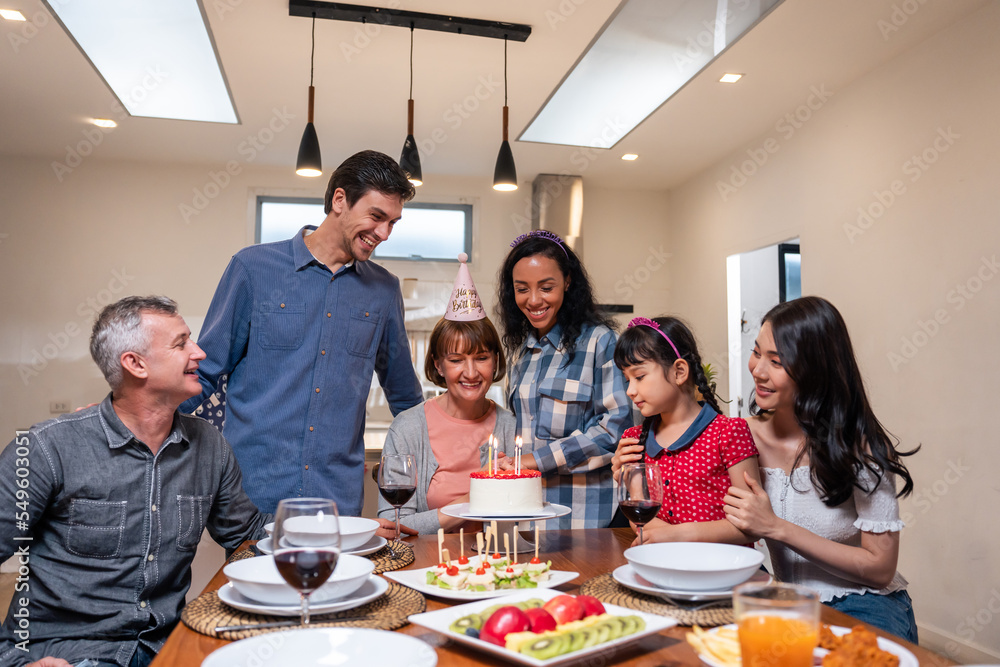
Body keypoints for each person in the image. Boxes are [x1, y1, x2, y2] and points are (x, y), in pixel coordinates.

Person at [0, 296, 269, 667]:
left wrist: (342, 535)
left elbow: (249, 536)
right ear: (135, 364)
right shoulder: (46, 448)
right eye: (181, 343)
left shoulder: (209, 445)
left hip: (167, 648)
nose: (200, 353)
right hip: (68, 653)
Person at [181, 150, 424, 515]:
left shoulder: (384, 290)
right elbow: (203, 370)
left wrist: (442, 451)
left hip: (337, 500)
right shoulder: (253, 269)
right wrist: (129, 414)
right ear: (339, 199)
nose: (384, 233)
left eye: (393, 222)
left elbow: (405, 396)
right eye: (376, 217)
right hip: (250, 496)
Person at [723, 296, 919, 642]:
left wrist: (777, 528)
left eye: (777, 361)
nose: (758, 370)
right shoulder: (741, 438)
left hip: (862, 603)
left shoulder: (861, 448)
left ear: (815, 370)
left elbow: (879, 568)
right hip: (781, 601)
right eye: (757, 352)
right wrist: (632, 474)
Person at [495, 230, 632, 529]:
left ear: (568, 282)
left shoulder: (601, 342)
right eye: (522, 289)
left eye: (546, 287)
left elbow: (615, 432)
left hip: (587, 518)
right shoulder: (520, 350)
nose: (533, 300)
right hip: (529, 513)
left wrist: (532, 461)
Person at [376, 255, 516, 536]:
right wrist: (467, 504)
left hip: (497, 565)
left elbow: (521, 515)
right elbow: (392, 526)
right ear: (438, 365)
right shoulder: (408, 428)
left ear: (495, 360)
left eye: (481, 358)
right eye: (456, 360)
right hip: (426, 567)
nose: (471, 372)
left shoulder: (510, 425)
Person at [610, 316, 761, 547]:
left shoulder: (730, 433)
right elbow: (639, 518)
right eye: (627, 379)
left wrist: (677, 535)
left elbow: (751, 526)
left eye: (639, 377)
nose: (630, 390)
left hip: (723, 570)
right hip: (665, 568)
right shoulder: (633, 440)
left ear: (679, 371)